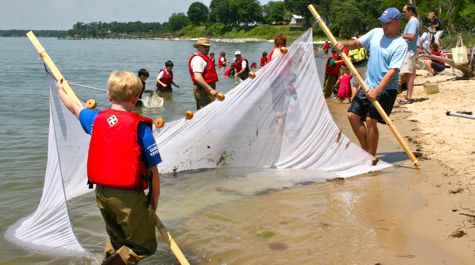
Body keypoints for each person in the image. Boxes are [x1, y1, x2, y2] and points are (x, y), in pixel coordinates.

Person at [55, 71, 161, 264]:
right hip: (128, 196)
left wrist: (60, 90)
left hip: (101, 193)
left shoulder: (95, 119)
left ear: (108, 95)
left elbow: (74, 107)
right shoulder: (141, 127)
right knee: (144, 246)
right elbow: (153, 170)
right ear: (137, 98)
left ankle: (107, 259)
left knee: (117, 240)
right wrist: (154, 200)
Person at [334, 7, 407, 158]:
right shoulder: (376, 33)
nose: (384, 26)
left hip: (387, 89)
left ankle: (371, 156)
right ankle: (366, 151)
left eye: (388, 23)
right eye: (383, 23)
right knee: (352, 115)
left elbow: (392, 71)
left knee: (370, 119)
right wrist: (344, 45)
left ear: (397, 22)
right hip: (367, 84)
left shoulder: (400, 44)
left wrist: (377, 90)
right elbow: (357, 44)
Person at [188, 37, 219, 110]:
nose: (207, 48)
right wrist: (210, 89)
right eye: (204, 46)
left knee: (205, 112)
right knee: (208, 112)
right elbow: (197, 77)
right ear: (198, 47)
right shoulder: (198, 59)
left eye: (208, 46)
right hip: (202, 90)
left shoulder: (204, 57)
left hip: (205, 89)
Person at [399, 4, 420, 105]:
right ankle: (408, 96)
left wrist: (399, 35)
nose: (403, 14)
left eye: (404, 11)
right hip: (409, 51)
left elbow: (411, 36)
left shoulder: (412, 21)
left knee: (409, 74)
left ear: (410, 11)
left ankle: (409, 97)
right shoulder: (412, 21)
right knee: (409, 74)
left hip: (409, 51)